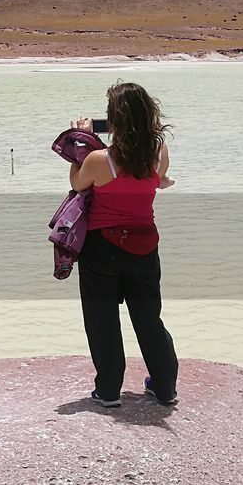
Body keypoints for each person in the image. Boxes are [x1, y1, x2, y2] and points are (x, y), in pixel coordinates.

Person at [69, 81, 179, 408]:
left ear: (114, 120)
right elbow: (158, 182)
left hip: (101, 246)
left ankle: (108, 391)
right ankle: (164, 387)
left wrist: (82, 142)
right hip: (145, 244)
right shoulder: (159, 152)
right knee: (148, 318)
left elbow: (78, 184)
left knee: (102, 318)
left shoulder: (100, 159)